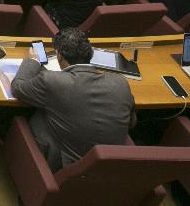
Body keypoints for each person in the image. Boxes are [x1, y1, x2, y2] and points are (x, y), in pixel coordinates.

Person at [10, 28, 135, 171]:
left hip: (68, 169)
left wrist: (33, 61)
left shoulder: (52, 81)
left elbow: (17, 88)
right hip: (112, 169)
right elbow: (131, 122)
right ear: (91, 53)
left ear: (59, 56)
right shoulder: (121, 83)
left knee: (38, 115)